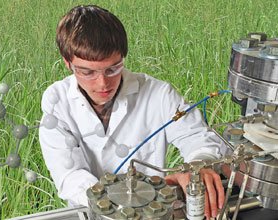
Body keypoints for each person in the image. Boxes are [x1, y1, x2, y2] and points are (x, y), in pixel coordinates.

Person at [39, 5, 228, 219]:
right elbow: (69, 174)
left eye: (113, 68)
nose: (103, 83)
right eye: (87, 72)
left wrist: (196, 167)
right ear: (68, 63)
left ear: (123, 57)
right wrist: (119, 202)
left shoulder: (159, 94)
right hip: (89, 214)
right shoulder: (58, 104)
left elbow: (196, 137)